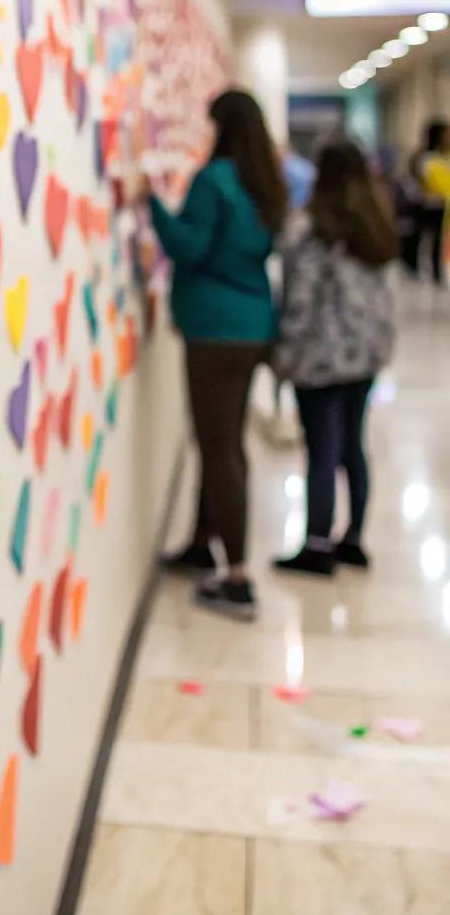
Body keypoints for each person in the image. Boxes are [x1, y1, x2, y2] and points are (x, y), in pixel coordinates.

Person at [140, 89, 288, 621]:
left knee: (221, 448)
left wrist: (150, 200)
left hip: (213, 330)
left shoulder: (214, 181)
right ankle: (203, 543)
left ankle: (239, 576)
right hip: (251, 328)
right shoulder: (263, 185)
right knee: (219, 441)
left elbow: (188, 247)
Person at [272, 140, 397, 575]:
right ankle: (354, 538)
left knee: (321, 450)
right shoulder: (376, 226)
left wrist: (282, 357)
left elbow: (299, 303)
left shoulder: (310, 231)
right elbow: (385, 298)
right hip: (364, 356)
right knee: (352, 446)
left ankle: (317, 544)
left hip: (319, 358)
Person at [404, 119, 450, 285]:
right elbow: (414, 181)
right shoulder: (422, 157)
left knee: (438, 240)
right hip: (423, 205)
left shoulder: (445, 157)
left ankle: (437, 274)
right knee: (419, 236)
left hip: (441, 205)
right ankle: (413, 268)